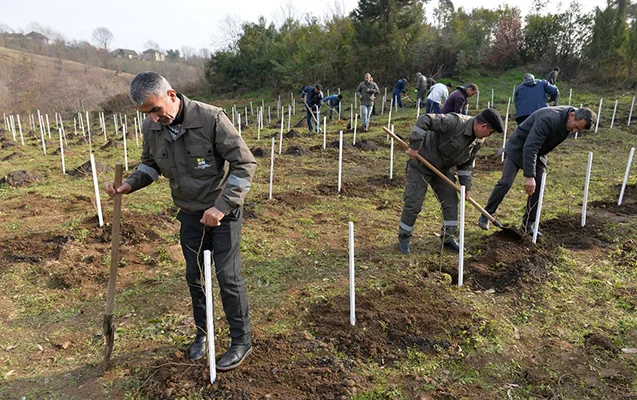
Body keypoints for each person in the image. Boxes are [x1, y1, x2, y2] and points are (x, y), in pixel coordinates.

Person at [104, 72, 257, 371]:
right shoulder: (152, 128)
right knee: (196, 277)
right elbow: (150, 166)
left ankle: (241, 340)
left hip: (222, 213)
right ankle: (203, 334)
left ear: (171, 95)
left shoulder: (210, 118)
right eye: (146, 114)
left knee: (228, 277)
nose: (153, 118)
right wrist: (130, 184)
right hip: (189, 214)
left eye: (155, 110)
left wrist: (221, 206)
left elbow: (244, 163)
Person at [397, 109, 504, 255]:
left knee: (451, 200)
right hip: (421, 164)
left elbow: (466, 164)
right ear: (483, 126)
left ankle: (448, 238)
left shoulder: (478, 141)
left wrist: (466, 186)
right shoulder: (454, 122)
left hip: (442, 170)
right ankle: (404, 239)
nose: (489, 136)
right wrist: (414, 146)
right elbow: (424, 119)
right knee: (414, 202)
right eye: (490, 132)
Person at [477, 107, 596, 237]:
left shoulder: (569, 120)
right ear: (572, 115)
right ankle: (486, 214)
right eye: (575, 127)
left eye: (578, 130)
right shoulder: (549, 119)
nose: (574, 131)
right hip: (519, 146)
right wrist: (529, 175)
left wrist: (534, 174)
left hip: (538, 152)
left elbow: (537, 147)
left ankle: (528, 224)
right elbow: (530, 146)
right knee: (506, 182)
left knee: (539, 185)